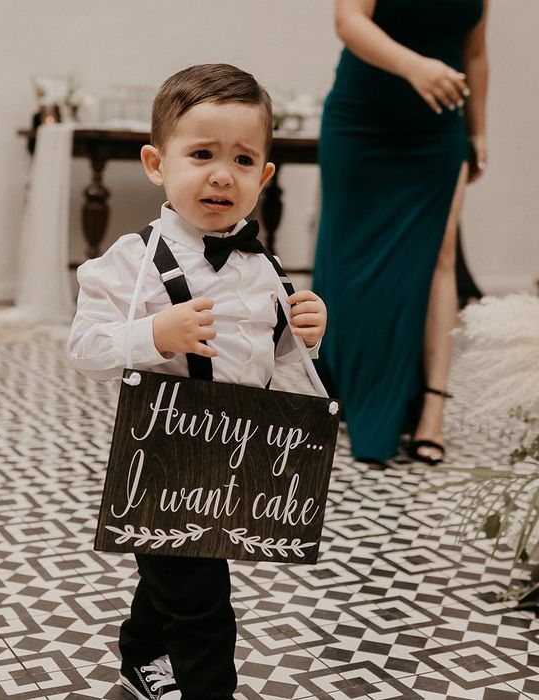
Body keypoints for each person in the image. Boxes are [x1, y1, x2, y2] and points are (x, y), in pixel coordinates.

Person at [67, 64, 327, 700]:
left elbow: (275, 358)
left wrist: (304, 335)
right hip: (159, 456)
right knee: (203, 602)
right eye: (202, 153)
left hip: (232, 454)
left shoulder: (266, 267)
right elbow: (85, 349)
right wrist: (154, 334)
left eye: (243, 160)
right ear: (158, 164)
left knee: (177, 564)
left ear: (264, 176)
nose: (221, 174)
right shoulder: (128, 264)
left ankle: (139, 656)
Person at [312, 0, 489, 464]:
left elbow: (474, 54)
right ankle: (353, 384)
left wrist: (479, 131)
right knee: (348, 260)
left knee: (440, 254)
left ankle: (433, 410)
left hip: (437, 131)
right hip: (361, 120)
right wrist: (415, 67)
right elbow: (348, 22)